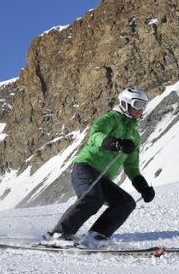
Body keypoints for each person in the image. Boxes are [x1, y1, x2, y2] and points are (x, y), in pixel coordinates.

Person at [45, 87, 156, 249]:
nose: (141, 109)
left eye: (143, 105)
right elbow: (96, 134)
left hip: (102, 177)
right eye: (137, 104)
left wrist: (144, 188)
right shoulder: (111, 118)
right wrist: (115, 143)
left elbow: (131, 167)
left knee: (126, 203)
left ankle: (97, 236)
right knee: (92, 197)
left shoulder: (134, 136)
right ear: (125, 104)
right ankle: (59, 234)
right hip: (85, 167)